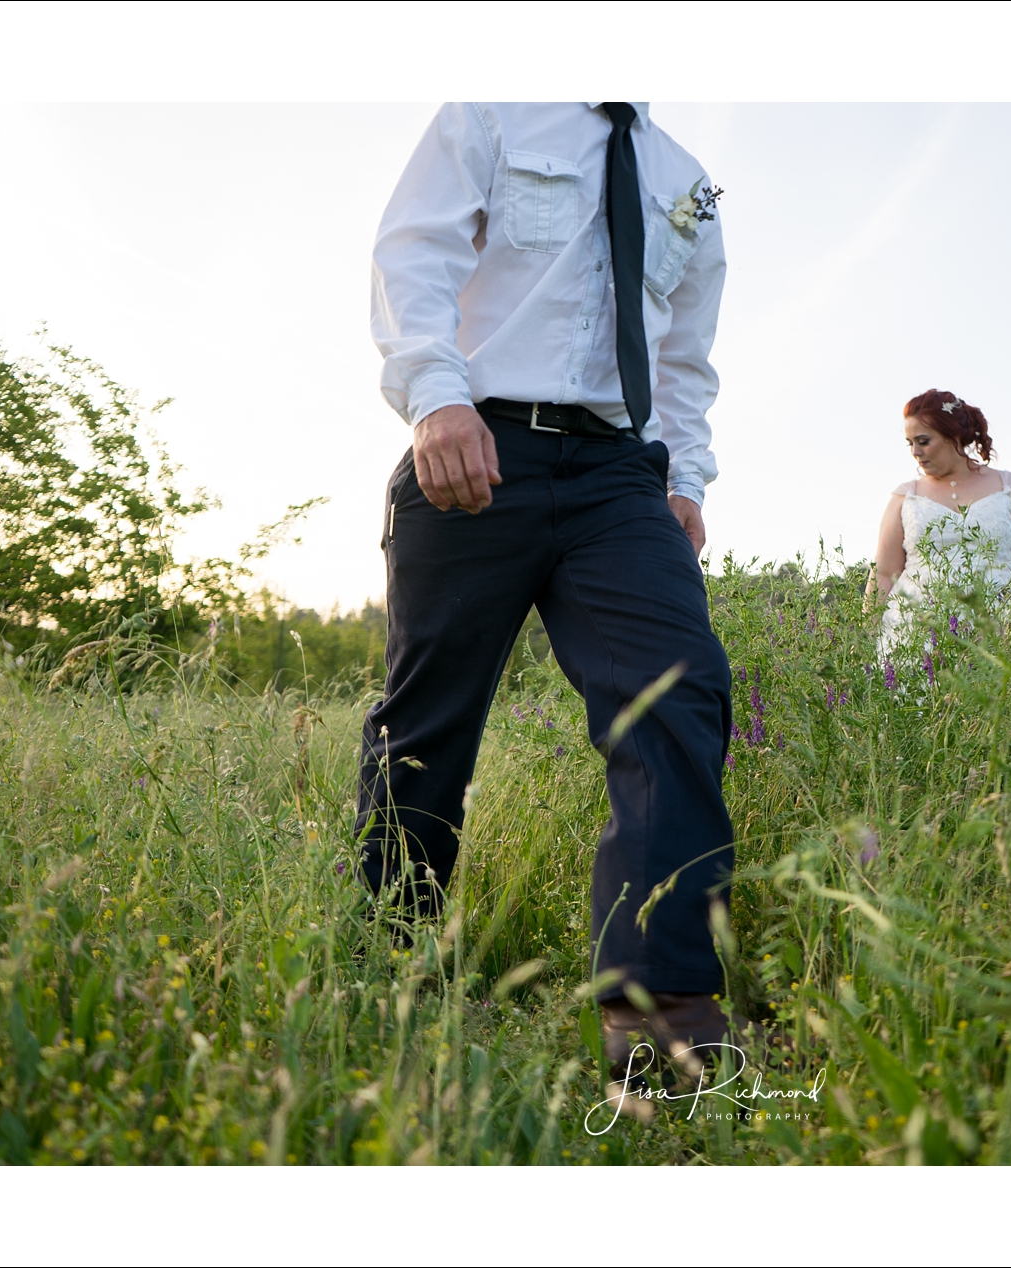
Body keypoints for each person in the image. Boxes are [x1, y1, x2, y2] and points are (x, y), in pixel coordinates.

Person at [361, 102, 740, 1077]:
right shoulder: (494, 112)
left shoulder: (687, 185)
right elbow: (414, 254)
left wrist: (686, 482)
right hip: (478, 440)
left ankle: (659, 1010)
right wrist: (436, 396)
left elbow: (686, 358)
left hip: (622, 473)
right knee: (427, 725)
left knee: (680, 687)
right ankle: (387, 973)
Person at [872, 389, 1011, 658]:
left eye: (923, 441)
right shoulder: (905, 496)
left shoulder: (1009, 487)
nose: (915, 452)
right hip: (918, 630)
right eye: (909, 443)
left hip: (1002, 624)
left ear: (952, 435)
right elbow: (885, 573)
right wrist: (866, 637)